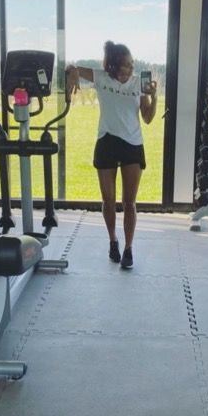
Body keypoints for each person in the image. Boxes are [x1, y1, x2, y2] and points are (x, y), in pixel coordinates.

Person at [65, 41, 157, 269]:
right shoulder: (101, 77)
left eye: (132, 64)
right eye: (126, 65)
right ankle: (113, 241)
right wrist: (73, 74)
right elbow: (70, 66)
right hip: (106, 141)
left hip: (132, 144)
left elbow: (147, 118)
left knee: (129, 202)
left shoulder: (138, 84)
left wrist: (154, 97)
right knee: (108, 201)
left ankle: (128, 249)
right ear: (114, 66)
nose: (131, 69)